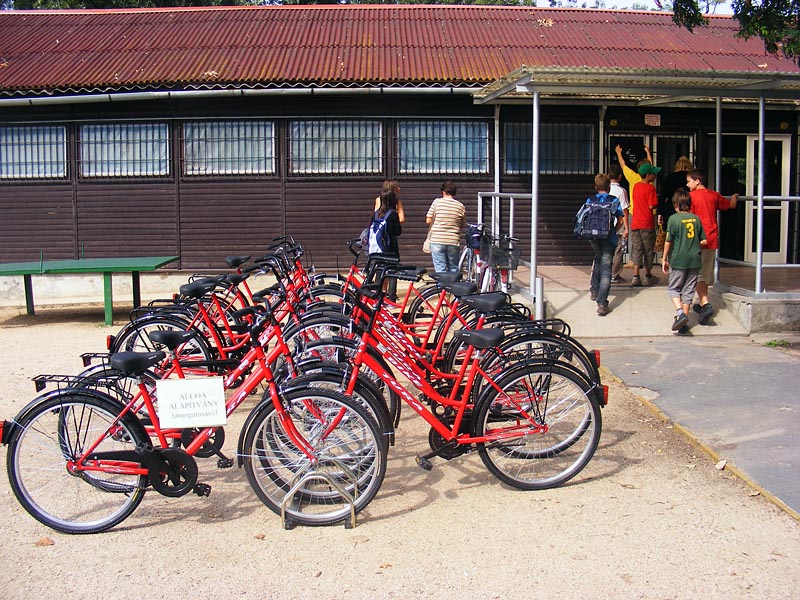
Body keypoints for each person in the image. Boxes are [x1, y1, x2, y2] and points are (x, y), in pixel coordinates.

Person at [686, 168, 739, 324]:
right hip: (712, 239)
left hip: (697, 240)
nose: (687, 184)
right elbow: (730, 205)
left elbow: (689, 219)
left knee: (695, 274)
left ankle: (705, 303)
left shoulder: (691, 197)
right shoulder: (714, 195)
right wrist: (735, 197)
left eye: (689, 181)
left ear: (697, 181)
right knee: (705, 274)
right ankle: (703, 305)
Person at [662, 189, 707, 334]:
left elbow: (668, 241)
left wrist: (664, 258)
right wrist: (693, 244)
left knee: (673, 289)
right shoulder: (696, 219)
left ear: (676, 205)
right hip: (695, 260)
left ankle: (681, 313)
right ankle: (683, 324)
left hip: (678, 260)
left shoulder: (673, 219)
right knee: (688, 291)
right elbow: (704, 241)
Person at [582, 173, 625, 316]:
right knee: (606, 267)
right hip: (608, 237)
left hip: (593, 236)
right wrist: (614, 230)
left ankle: (594, 291)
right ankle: (602, 303)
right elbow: (620, 220)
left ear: (596, 187)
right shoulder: (613, 200)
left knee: (597, 259)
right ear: (609, 187)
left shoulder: (590, 200)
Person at [629, 163, 661, 287]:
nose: (655, 176)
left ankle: (636, 276)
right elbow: (651, 205)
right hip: (647, 223)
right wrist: (658, 200)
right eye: (653, 174)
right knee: (648, 250)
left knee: (637, 249)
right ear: (648, 175)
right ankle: (648, 275)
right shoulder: (650, 188)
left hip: (635, 222)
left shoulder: (636, 186)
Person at [426, 181, 466, 273]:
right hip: (453, 241)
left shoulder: (437, 202)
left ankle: (442, 283)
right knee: (454, 269)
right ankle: (454, 283)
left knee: (440, 269)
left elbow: (428, 220)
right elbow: (462, 225)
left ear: (443, 191)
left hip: (437, 239)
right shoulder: (460, 206)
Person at [369, 188, 402, 300]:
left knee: (379, 269)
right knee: (392, 271)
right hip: (391, 247)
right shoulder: (393, 214)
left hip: (378, 248)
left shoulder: (376, 214)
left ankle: (377, 296)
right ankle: (391, 297)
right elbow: (398, 231)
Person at [614, 143, 654, 217]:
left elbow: (623, 166)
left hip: (635, 213)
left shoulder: (633, 177)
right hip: (649, 214)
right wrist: (647, 151)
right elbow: (650, 165)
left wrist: (619, 153)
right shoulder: (650, 180)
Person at [608, 163, 630, 283]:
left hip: (606, 224)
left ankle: (604, 272)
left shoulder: (606, 189)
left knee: (606, 250)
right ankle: (614, 274)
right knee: (618, 251)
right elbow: (625, 210)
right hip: (618, 224)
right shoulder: (622, 191)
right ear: (620, 176)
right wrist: (626, 228)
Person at [658, 156, 693, 227]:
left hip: (671, 208)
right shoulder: (691, 178)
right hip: (687, 208)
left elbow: (662, 197)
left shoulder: (669, 177)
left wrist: (660, 213)